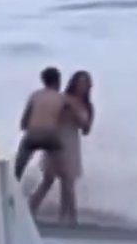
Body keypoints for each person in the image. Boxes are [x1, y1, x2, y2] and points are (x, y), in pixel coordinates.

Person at [30, 70, 94, 225]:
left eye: (85, 83)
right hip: (56, 138)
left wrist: (80, 117)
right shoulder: (62, 99)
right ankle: (30, 210)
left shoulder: (87, 105)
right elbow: (50, 117)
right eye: (80, 82)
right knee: (49, 179)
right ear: (74, 83)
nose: (82, 86)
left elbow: (86, 130)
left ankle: (67, 216)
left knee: (68, 180)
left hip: (72, 141)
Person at [14, 67, 67, 181]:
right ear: (58, 81)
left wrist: (25, 127)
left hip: (33, 134)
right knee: (63, 168)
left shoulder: (35, 95)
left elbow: (24, 120)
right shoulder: (61, 98)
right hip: (50, 136)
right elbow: (62, 120)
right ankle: (59, 179)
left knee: (18, 168)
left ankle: (14, 186)